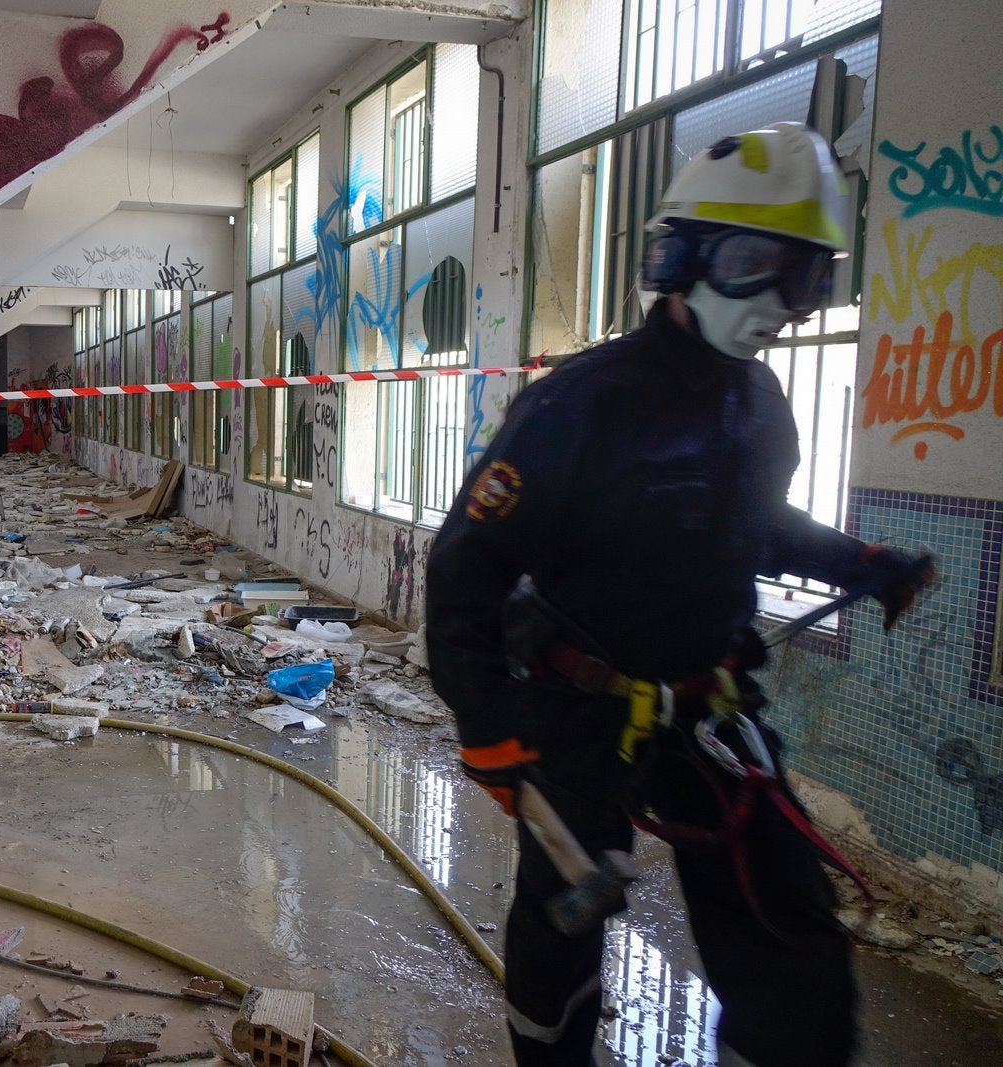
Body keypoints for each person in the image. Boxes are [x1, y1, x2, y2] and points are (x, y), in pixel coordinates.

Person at [425, 122, 934, 1066]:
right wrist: (489, 729)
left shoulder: (757, 401)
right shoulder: (579, 404)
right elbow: (466, 567)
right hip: (579, 708)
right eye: (755, 264)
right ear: (680, 257)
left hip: (711, 708)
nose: (781, 301)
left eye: (807, 275)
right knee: (564, 927)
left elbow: (752, 523)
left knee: (794, 941)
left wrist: (859, 561)